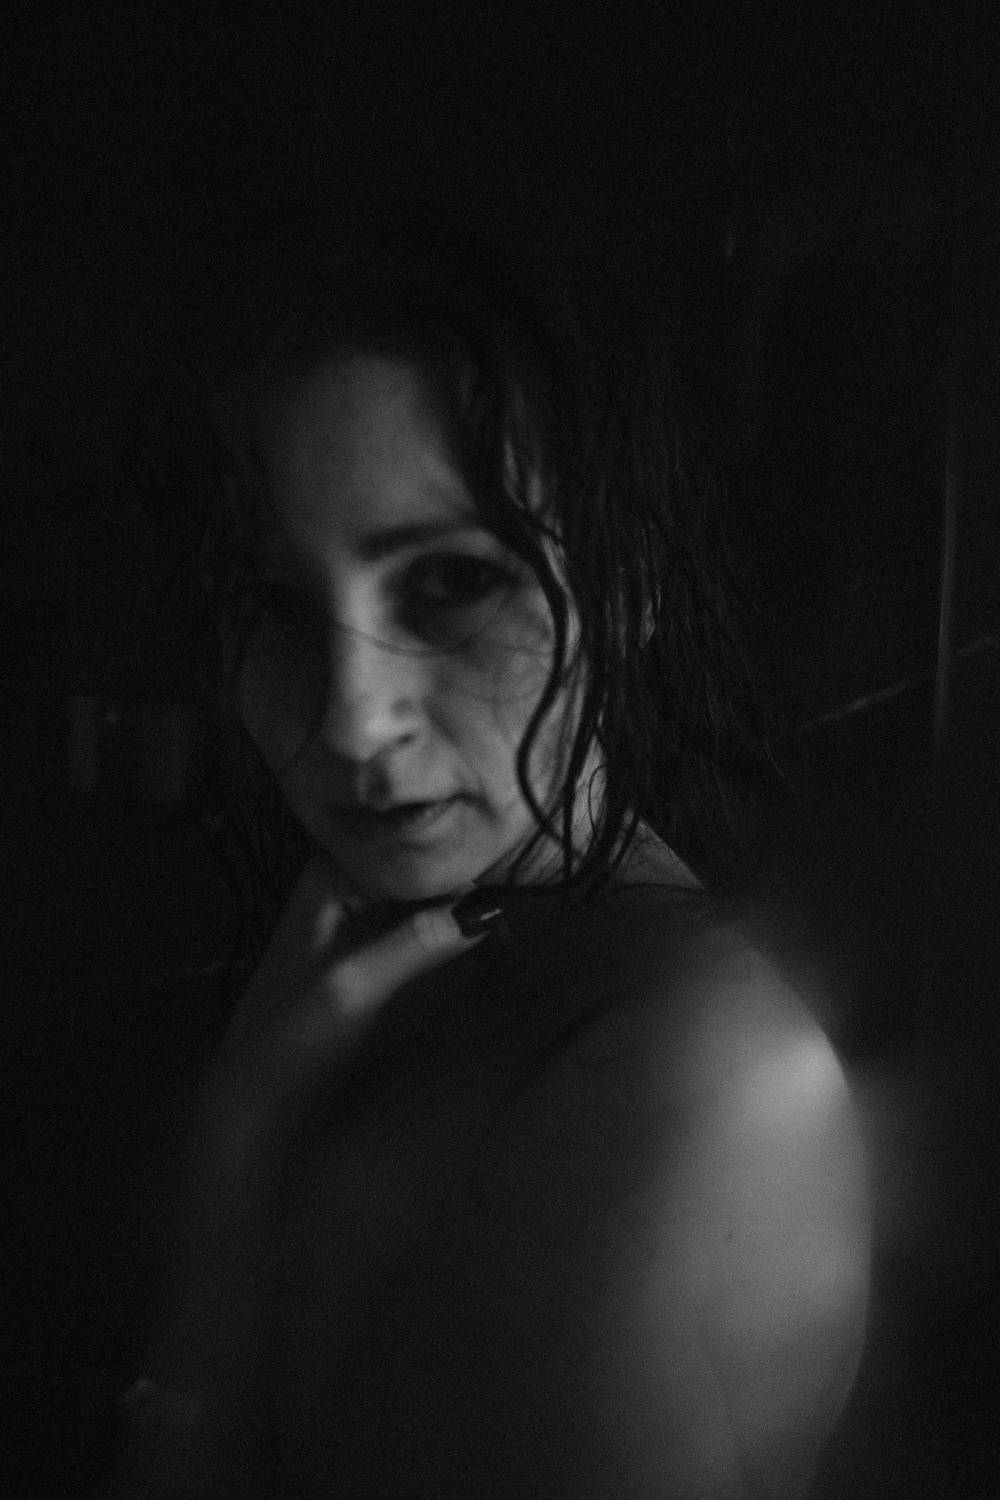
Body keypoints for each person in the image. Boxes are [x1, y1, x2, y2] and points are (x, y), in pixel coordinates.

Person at [117, 205, 871, 1498]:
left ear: (624, 588)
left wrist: (234, 1188)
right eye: (276, 604)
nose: (354, 720)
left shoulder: (669, 1072)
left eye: (451, 583)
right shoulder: (382, 959)